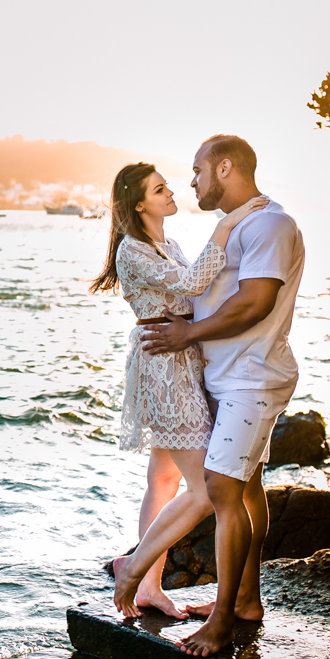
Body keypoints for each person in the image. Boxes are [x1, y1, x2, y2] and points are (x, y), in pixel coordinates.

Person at [141, 134, 305, 657]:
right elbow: (211, 289)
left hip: (252, 379)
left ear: (226, 167)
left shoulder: (271, 224)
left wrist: (187, 335)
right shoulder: (241, 226)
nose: (190, 182)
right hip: (227, 376)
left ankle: (220, 625)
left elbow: (256, 301)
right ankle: (246, 602)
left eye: (196, 171)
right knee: (248, 489)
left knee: (219, 487)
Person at [89, 162, 266, 619]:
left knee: (164, 479)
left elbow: (194, 294)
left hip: (181, 359)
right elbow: (191, 284)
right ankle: (135, 564)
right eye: (160, 189)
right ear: (139, 203)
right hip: (164, 368)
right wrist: (228, 225)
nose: (172, 193)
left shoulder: (166, 244)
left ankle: (149, 587)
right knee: (206, 490)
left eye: (168, 186)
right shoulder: (132, 250)